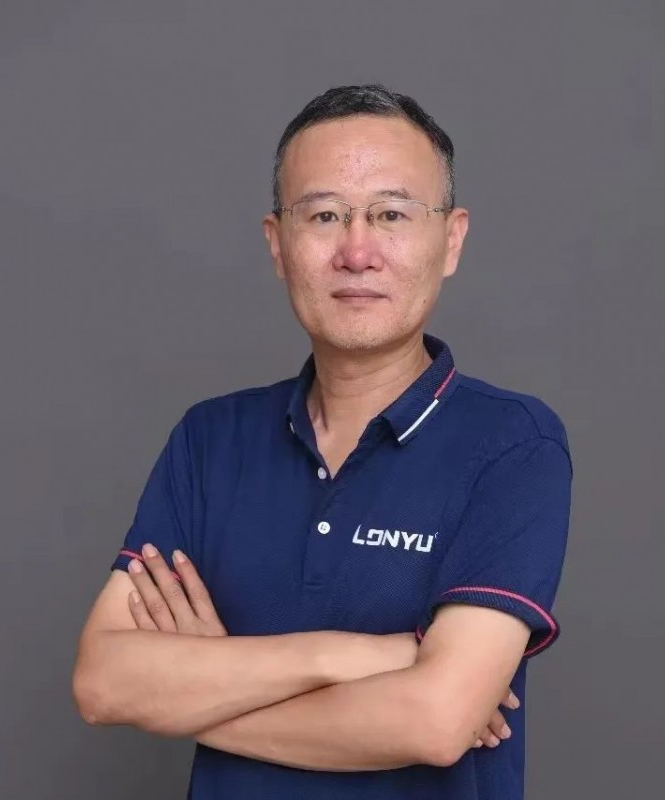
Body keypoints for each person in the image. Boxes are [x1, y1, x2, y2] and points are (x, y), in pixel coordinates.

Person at [72, 84, 572, 800]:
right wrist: (352, 657)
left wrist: (203, 689)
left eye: (392, 214)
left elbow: (435, 722)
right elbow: (103, 683)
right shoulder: (211, 441)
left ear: (452, 240)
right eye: (325, 215)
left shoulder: (512, 445)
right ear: (278, 244)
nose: (357, 251)